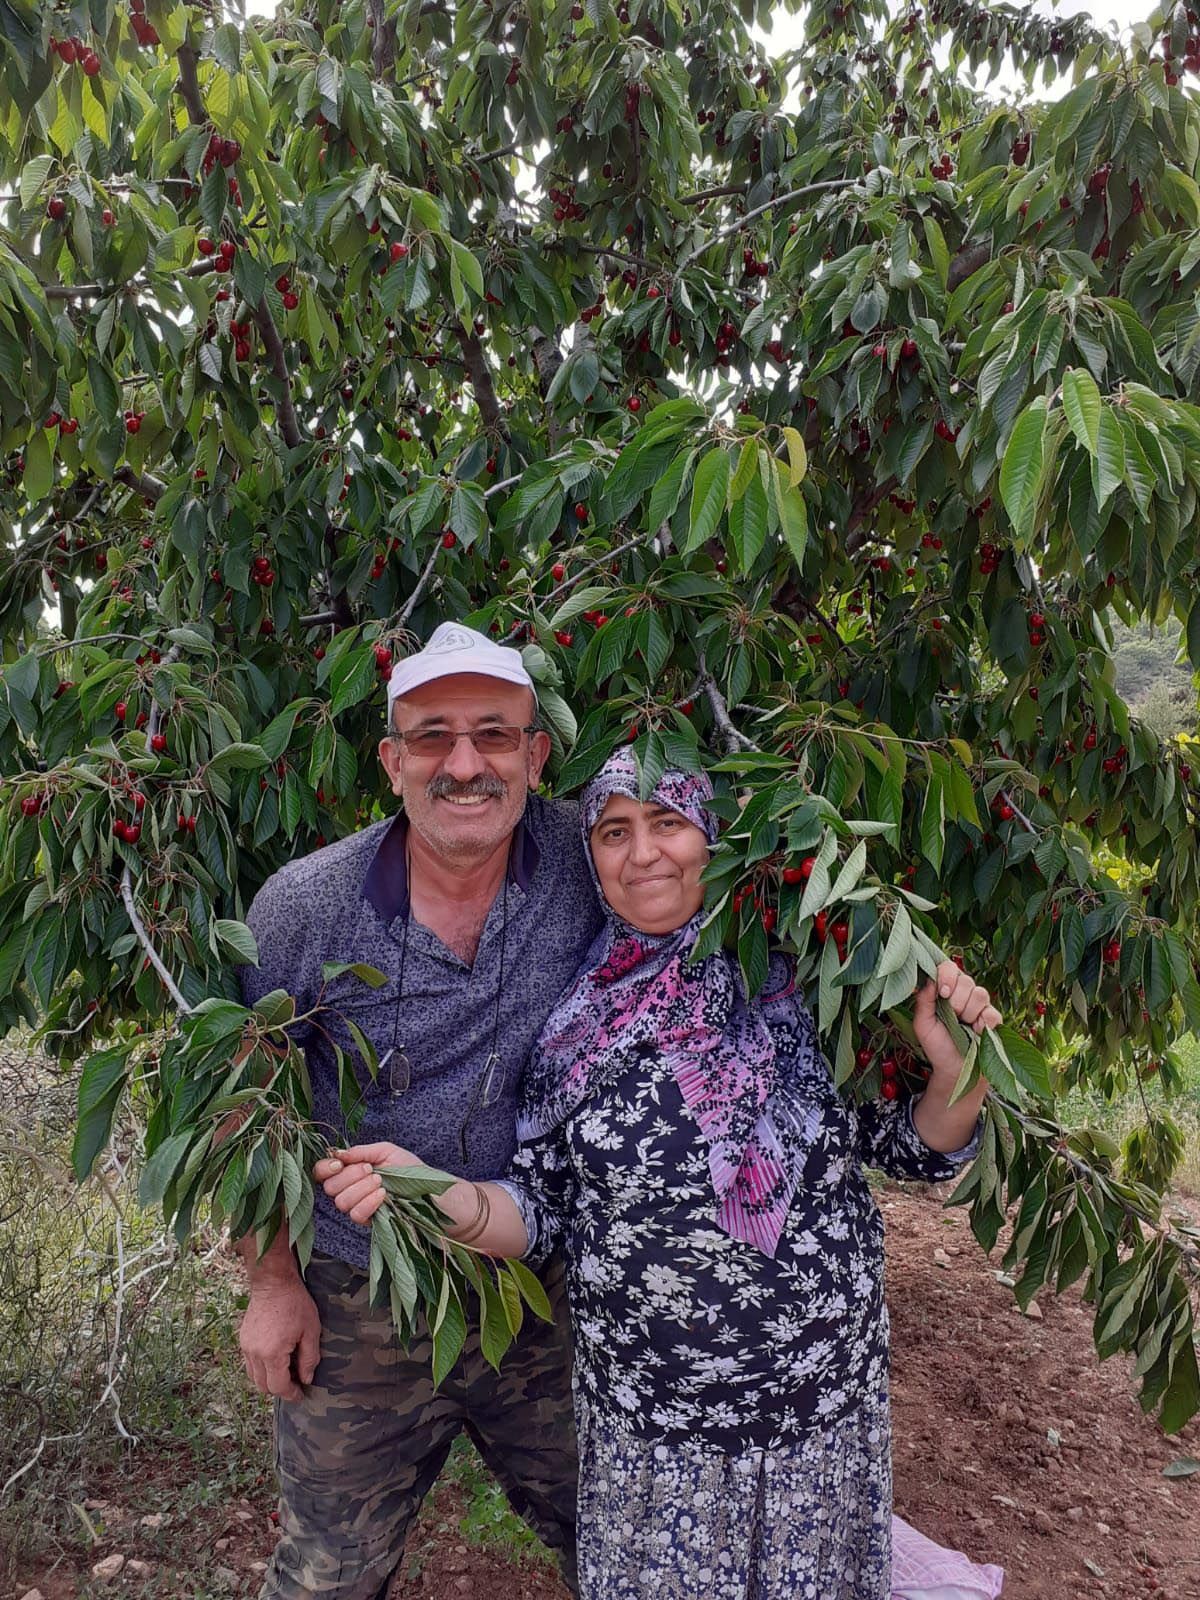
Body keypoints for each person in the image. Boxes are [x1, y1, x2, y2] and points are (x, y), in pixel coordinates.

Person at [316, 750, 998, 1600]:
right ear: (591, 855)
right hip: (656, 1440)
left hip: (818, 1422)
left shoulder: (800, 980)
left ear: (715, 837)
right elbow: (540, 1211)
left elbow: (910, 1149)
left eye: (668, 822)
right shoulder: (574, 1020)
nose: (642, 854)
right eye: (613, 831)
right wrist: (432, 1192)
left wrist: (955, 1074)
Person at [236, 621, 604, 1600]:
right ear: (393, 761)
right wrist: (274, 1282)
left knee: (616, 1535)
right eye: (434, 736)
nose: (466, 762)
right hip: (362, 1299)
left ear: (536, 753)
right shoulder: (305, 907)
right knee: (330, 1571)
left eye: (494, 733)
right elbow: (248, 1103)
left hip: (540, 1288)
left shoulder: (595, 862)